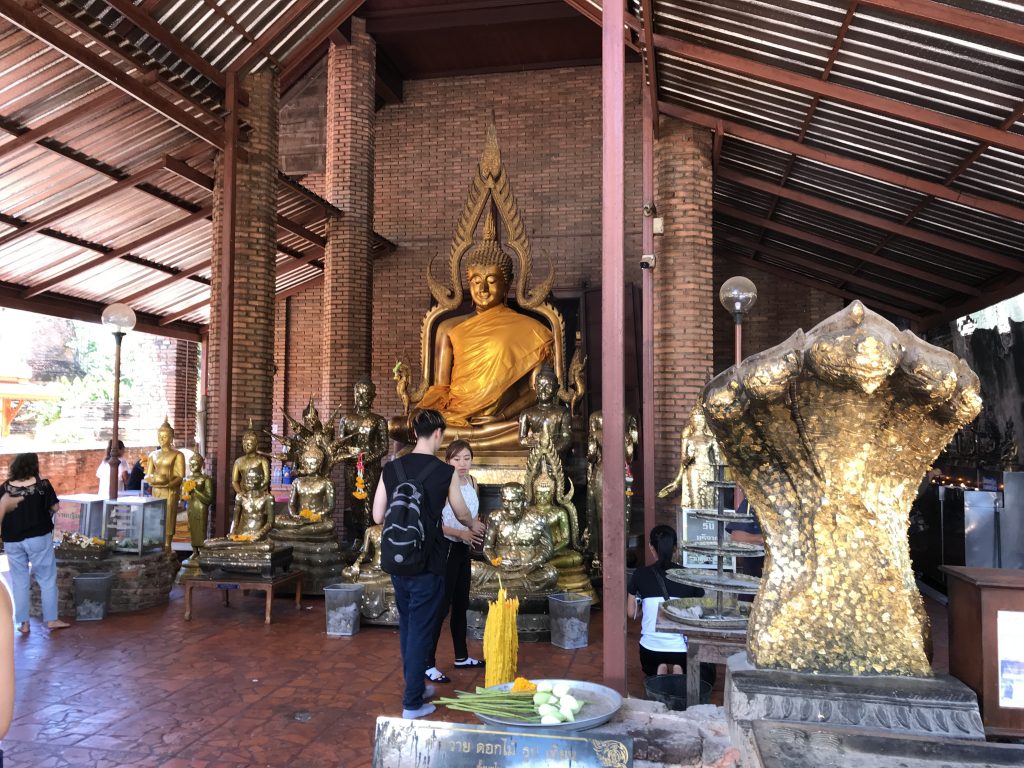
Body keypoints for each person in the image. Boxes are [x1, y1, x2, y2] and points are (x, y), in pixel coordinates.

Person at [371, 409, 485, 720]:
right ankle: (412, 703)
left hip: (398, 560)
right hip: (429, 561)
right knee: (420, 629)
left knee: (409, 626)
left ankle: (416, 690)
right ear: (437, 434)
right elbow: (461, 512)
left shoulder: (391, 469)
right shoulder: (443, 472)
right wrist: (473, 525)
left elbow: (377, 516)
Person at [425, 440, 484, 684]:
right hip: (446, 548)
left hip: (463, 550)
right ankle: (427, 663)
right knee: (441, 607)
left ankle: (461, 656)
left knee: (461, 603)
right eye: (456, 459)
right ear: (448, 460)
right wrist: (462, 533)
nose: (462, 464)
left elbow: (473, 514)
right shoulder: (442, 485)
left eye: (466, 458)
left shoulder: (472, 482)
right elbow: (436, 524)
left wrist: (473, 536)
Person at [1, 454, 70, 633]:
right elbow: (55, 507)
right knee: (46, 578)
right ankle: (51, 620)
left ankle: (23, 623)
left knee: (19, 580)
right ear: (34, 466)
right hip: (38, 537)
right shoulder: (43, 485)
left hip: (12, 540)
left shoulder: (5, 487)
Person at [627, 525, 701, 676]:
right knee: (679, 662)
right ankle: (677, 669)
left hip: (650, 649)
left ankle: (660, 670)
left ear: (650, 547)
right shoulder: (688, 576)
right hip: (681, 649)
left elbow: (631, 613)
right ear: (675, 548)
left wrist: (643, 606)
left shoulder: (640, 574)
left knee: (658, 664)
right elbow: (696, 611)